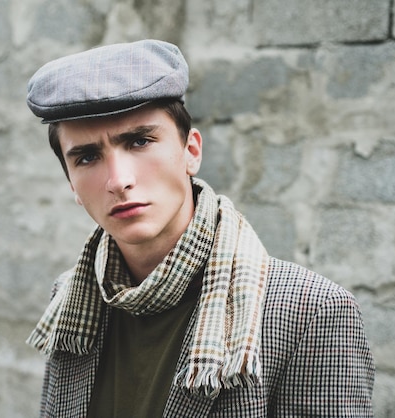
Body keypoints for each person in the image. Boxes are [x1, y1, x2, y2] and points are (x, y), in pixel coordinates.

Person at [25, 39, 375, 417]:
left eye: (140, 141)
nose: (119, 180)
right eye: (88, 157)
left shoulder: (311, 312)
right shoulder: (72, 299)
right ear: (71, 185)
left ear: (191, 152)